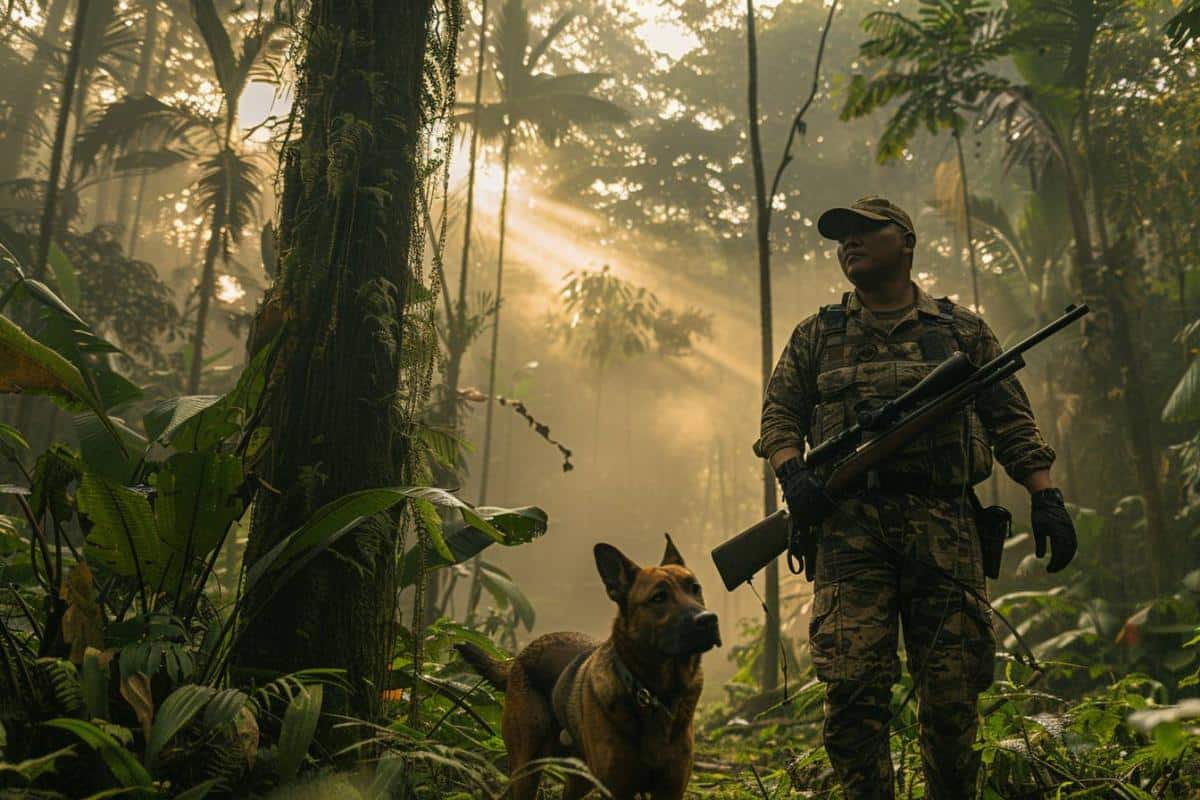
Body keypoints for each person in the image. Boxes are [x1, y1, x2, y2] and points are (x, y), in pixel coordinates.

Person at [753, 196, 1078, 799]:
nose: (848, 243)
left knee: (953, 698)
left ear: (905, 241)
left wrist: (1046, 498)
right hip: (849, 533)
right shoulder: (818, 334)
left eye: (864, 230)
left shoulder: (960, 331)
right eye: (842, 236)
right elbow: (779, 416)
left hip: (945, 529)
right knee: (853, 693)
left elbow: (1011, 421)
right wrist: (793, 474)